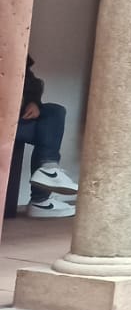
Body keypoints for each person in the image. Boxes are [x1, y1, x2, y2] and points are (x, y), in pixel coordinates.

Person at [17, 55, 79, 218]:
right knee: (47, 132)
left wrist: (33, 101)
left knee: (53, 113)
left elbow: (32, 83)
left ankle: (48, 170)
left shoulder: (12, 48)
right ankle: (42, 194)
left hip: (15, 122)